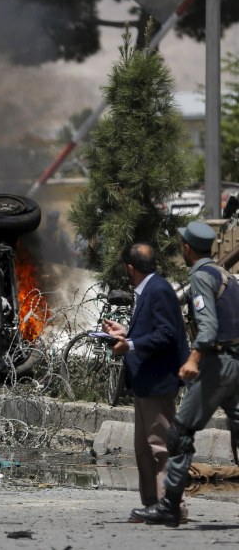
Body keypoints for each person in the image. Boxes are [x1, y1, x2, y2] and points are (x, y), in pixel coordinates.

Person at [131, 221, 239, 526]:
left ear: (187, 249)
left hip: (217, 365)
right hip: (236, 362)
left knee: (178, 434)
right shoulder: (227, 276)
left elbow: (208, 328)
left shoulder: (202, 278)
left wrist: (194, 359)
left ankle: (169, 506)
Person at [102, 243, 188, 520]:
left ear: (130, 268)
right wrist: (126, 333)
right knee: (143, 448)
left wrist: (131, 345)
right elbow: (154, 329)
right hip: (145, 382)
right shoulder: (150, 288)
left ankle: (173, 505)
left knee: (160, 446)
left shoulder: (158, 289)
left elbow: (166, 334)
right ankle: (152, 504)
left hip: (157, 382)